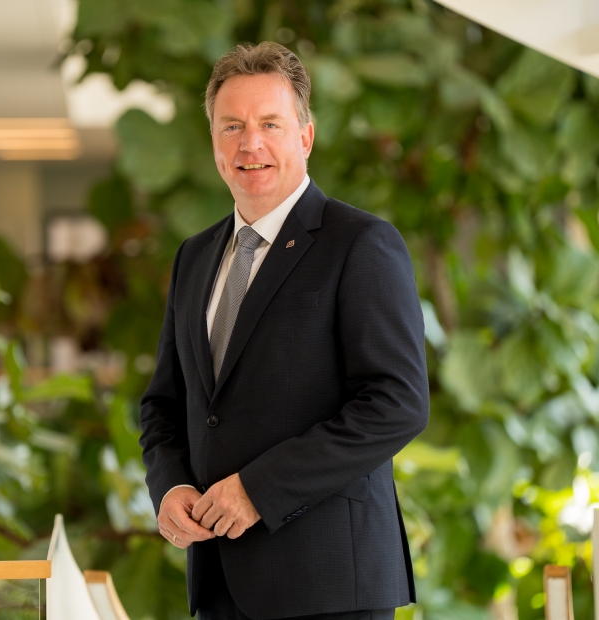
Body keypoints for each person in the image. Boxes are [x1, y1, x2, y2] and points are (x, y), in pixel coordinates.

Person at [139, 41, 429, 620]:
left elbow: (397, 404)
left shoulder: (361, 244)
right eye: (232, 126)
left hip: (328, 587)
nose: (250, 143)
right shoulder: (194, 257)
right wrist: (170, 488)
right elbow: (164, 405)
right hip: (219, 583)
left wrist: (258, 490)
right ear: (214, 142)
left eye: (270, 124)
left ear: (305, 137)